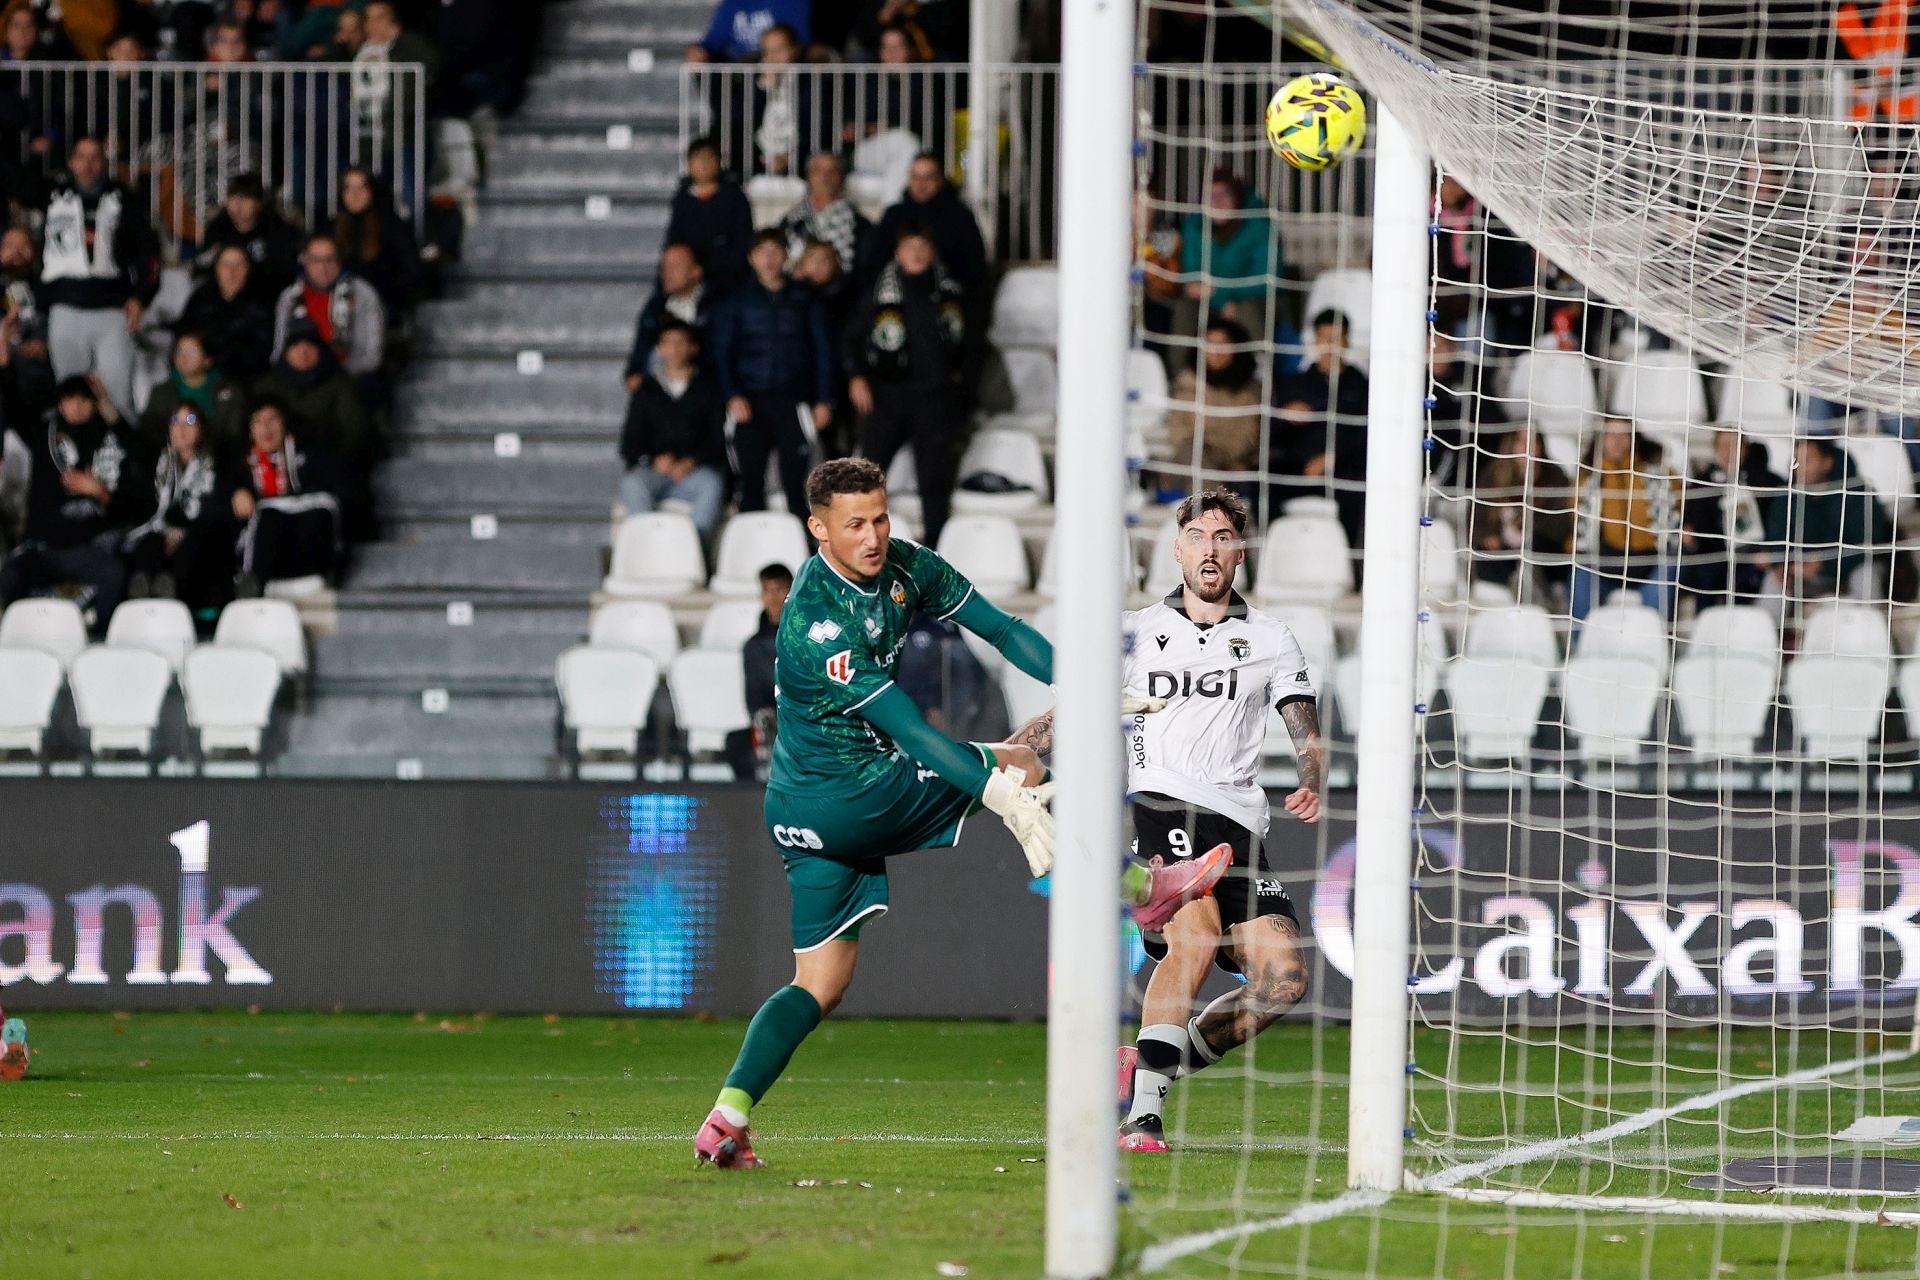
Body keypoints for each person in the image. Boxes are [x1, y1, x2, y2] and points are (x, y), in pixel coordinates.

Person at [691, 457, 1229, 1169]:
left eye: (880, 517)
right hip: (852, 792)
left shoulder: (909, 568)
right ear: (818, 529)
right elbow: (912, 732)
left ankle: (726, 1118)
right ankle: (1142, 893)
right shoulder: (816, 625)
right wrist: (998, 791)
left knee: (819, 982)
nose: (874, 536)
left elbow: (1003, 632)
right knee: (1028, 760)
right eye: (854, 525)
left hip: (796, 813)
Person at [1056, 488, 1319, 1154]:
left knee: (1284, 981)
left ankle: (1150, 1064)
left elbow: (1304, 727)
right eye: (1197, 535)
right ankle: (1142, 1117)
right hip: (1164, 811)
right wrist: (1011, 759)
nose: (1210, 546)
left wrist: (1312, 777)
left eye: (1223, 536)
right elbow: (1071, 710)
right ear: (1177, 549)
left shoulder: (1269, 637)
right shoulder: (1135, 631)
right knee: (1193, 939)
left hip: (1240, 829)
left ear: (1240, 552)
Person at [843, 225, 975, 547]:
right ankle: (853, 542)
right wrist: (856, 377)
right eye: (909, 247)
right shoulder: (877, 293)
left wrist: (959, 381)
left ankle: (936, 551)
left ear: (932, 253)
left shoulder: (950, 292)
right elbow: (851, 339)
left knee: (933, 480)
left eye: (922, 246)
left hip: (933, 398)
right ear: (897, 254)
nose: (916, 253)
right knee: (866, 476)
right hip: (886, 396)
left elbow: (969, 344)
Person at [0, 376, 152, 630]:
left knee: (115, 574)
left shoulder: (112, 436)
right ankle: (17, 636)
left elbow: (145, 460)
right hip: (45, 548)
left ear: (95, 404)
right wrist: (5, 368)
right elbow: (15, 408)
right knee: (11, 574)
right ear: (60, 405)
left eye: (84, 400)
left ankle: (95, 636)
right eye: (70, 400)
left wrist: (101, 492)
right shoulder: (43, 435)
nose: (77, 406)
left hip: (91, 549)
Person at [709, 230, 834, 516]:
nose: (769, 259)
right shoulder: (736, 300)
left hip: (793, 400)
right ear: (752, 258)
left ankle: (804, 555)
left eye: (775, 252)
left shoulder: (805, 298)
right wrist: (732, 395)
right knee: (751, 485)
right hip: (750, 402)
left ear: (786, 256)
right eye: (762, 253)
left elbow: (822, 351)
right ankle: (750, 554)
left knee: (799, 485)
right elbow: (722, 352)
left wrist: (825, 399)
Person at [39, 137, 161, 423]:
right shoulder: (51, 196)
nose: (88, 164)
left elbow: (149, 255)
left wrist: (141, 297)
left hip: (111, 311)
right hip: (65, 309)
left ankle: (128, 462)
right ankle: (68, 460)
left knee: (118, 394)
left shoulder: (125, 199)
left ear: (104, 163)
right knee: (69, 395)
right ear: (71, 161)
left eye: (95, 157)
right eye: (82, 156)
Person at [1269, 309, 1369, 553]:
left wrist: (1332, 457)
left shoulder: (1364, 386)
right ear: (1314, 341)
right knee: (1265, 481)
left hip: (1345, 470)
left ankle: (1351, 564)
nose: (1330, 346)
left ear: (1347, 341)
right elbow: (1274, 437)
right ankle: (1269, 556)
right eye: (1325, 338)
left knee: (1356, 491)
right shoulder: (1296, 384)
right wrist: (1285, 418)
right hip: (1301, 469)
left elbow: (1367, 436)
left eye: (1336, 338)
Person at [618, 320, 727, 538]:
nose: (674, 349)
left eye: (680, 343)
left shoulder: (709, 389)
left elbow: (718, 440)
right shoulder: (646, 390)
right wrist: (654, 460)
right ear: (659, 349)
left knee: (712, 485)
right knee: (632, 484)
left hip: (692, 473)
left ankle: (694, 552)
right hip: (655, 472)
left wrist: (690, 462)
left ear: (693, 348)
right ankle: (646, 545)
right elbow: (629, 442)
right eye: (668, 343)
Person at [1761, 435, 1891, 613]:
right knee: (1773, 581)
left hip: (1852, 568)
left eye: (1808, 460)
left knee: (1865, 577)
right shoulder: (1785, 497)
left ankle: (1875, 634)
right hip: (1803, 573)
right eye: (1797, 460)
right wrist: (1782, 566)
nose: (1801, 467)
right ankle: (1766, 636)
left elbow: (1869, 544)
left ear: (1827, 462)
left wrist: (1824, 565)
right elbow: (1776, 541)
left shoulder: (1859, 493)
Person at [123, 404, 232, 614]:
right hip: (162, 530)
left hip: (202, 535)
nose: (181, 428)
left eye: (190, 421)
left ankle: (171, 599)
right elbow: (148, 508)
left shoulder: (218, 462)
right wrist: (168, 532)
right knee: (149, 545)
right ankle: (141, 603)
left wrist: (183, 534)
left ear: (202, 428)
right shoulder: (158, 461)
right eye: (175, 421)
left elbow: (217, 511)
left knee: (192, 547)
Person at [1570, 417, 1681, 623]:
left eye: (1623, 435)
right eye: (1610, 435)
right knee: (1579, 574)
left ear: (1633, 439)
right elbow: (1575, 526)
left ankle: (1657, 645)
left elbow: (1680, 513)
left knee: (1668, 571)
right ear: (1601, 439)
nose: (1617, 441)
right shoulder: (1587, 479)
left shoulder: (1662, 475)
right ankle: (1580, 647)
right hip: (1604, 564)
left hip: (1649, 561)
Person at [229, 397, 344, 592]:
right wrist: (236, 493)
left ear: (285, 424)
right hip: (265, 557)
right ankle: (253, 584)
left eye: (272, 419)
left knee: (314, 514)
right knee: (268, 518)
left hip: (305, 553)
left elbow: (332, 498)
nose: (266, 428)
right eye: (258, 421)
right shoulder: (240, 467)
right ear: (250, 430)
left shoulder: (311, 456)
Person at [1152, 315, 1263, 495]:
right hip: (1187, 463)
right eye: (1210, 344)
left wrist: (1210, 450)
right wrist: (1203, 449)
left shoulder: (1250, 391)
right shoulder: (1187, 383)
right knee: (1191, 453)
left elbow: (1245, 440)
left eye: (1223, 344)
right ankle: (1214, 511)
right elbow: (1177, 431)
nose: (1216, 351)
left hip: (1231, 468)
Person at [1465, 424, 1575, 603]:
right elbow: (1474, 518)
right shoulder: (1491, 477)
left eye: (1532, 442)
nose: (1527, 447)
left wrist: (1528, 526)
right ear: (1511, 445)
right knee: (1487, 557)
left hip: (1541, 552)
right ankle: (1503, 603)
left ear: (1541, 446)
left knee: (1536, 551)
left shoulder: (1556, 478)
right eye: (1521, 441)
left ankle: (1541, 601)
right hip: (1503, 551)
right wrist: (1488, 536)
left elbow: (1562, 524)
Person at [1679, 425, 1785, 605]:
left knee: (1747, 584)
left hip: (1754, 558)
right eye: (1723, 446)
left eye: (1735, 446)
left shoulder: (1769, 483)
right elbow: (1694, 529)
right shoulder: (1700, 485)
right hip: (1715, 557)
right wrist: (1690, 538)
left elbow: (1781, 524)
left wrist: (1770, 552)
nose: (1729, 452)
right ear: (1715, 450)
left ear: (1745, 449)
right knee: (1705, 579)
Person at [1174, 167, 1275, 351]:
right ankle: (1180, 375)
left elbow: (1265, 279)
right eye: (1210, 196)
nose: (1217, 202)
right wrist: (1220, 299)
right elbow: (1191, 274)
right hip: (1211, 301)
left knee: (1247, 311)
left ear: (1237, 197)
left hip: (1251, 300)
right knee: (1184, 308)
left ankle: (1262, 372)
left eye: (1223, 195)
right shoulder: (1194, 225)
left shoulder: (1260, 224)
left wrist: (1222, 294)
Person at [860, 153, 986, 291]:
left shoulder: (960, 217)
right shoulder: (894, 215)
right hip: (896, 295)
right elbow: (876, 260)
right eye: (915, 177)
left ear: (940, 179)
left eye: (928, 177)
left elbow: (973, 267)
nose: (920, 184)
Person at [272, 231, 386, 382]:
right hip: (298, 378)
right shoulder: (290, 296)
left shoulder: (363, 293)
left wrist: (332, 377)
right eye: (315, 260)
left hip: (350, 377)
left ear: (339, 261)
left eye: (330, 259)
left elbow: (372, 356)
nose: (323, 267)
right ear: (304, 261)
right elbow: (279, 350)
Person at [726, 561, 793, 779]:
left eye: (779, 589)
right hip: (771, 723)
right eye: (767, 590)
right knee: (736, 742)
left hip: (802, 720)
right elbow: (753, 700)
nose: (773, 597)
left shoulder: (808, 638)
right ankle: (752, 807)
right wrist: (766, 717)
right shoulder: (753, 646)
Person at [665, 137, 756, 298]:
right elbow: (675, 238)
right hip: (690, 277)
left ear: (719, 163)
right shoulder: (682, 200)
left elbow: (743, 239)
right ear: (689, 165)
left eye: (709, 158)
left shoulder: (735, 198)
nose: (704, 164)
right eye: (699, 158)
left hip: (728, 278)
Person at [196, 172, 303, 306]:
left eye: (245, 197)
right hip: (222, 303)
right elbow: (201, 266)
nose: (237, 204)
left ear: (259, 203)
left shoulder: (278, 231)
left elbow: (284, 276)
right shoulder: (217, 229)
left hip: (266, 303)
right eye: (232, 197)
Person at [138, 331, 246, 460]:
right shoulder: (161, 392)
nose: (183, 358)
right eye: (179, 352)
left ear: (207, 359)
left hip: (220, 461)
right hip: (171, 462)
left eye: (191, 352)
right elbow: (150, 434)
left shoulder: (228, 392)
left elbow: (233, 435)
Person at [179, 244, 276, 382]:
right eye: (226, 265)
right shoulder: (201, 298)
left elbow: (260, 353)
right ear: (216, 268)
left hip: (242, 378)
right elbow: (185, 332)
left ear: (248, 269)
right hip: (200, 373)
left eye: (239, 265)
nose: (232, 272)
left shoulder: (262, 304)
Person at [333, 165, 423, 312]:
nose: (354, 194)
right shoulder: (330, 227)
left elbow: (411, 275)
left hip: (383, 306)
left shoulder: (393, 227)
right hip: (337, 306)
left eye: (362, 188)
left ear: (372, 191)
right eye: (348, 188)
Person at [624, 244, 711, 389]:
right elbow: (642, 347)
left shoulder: (717, 307)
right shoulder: (655, 308)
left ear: (696, 271)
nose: (667, 272)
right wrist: (634, 372)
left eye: (675, 266)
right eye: (664, 266)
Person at [780, 152, 868, 274]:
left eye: (832, 171)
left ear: (842, 178)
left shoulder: (860, 227)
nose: (825, 177)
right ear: (808, 177)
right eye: (818, 170)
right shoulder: (791, 221)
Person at [686, 0, 811, 62]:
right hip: (743, 70)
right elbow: (713, 42)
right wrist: (697, 51)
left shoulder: (793, 3)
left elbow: (802, 42)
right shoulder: (732, 3)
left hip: (782, 66)